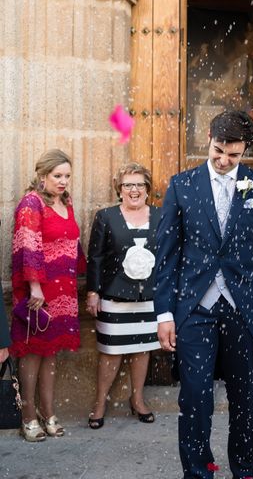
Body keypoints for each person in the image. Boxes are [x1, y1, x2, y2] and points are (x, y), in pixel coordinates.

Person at [155, 110, 253, 479]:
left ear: (245, 151)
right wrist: (164, 314)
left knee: (244, 399)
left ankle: (244, 471)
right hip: (195, 308)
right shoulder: (183, 186)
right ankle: (198, 472)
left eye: (234, 155)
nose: (225, 161)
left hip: (244, 308)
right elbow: (167, 256)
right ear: (209, 138)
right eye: (219, 151)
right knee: (195, 398)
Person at [9, 149, 85, 442]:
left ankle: (48, 412)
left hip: (63, 290)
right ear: (43, 176)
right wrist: (35, 287)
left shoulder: (67, 201)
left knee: (51, 353)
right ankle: (28, 417)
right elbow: (27, 245)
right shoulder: (31, 203)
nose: (63, 181)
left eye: (67, 176)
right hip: (38, 292)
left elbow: (73, 244)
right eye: (57, 176)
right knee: (31, 354)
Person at [86, 163, 161, 429]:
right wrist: (93, 292)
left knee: (142, 350)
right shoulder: (106, 217)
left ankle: (138, 399)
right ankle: (99, 403)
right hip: (114, 297)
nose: (134, 190)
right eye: (128, 185)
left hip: (150, 298)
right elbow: (95, 257)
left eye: (140, 184)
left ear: (147, 189)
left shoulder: (161, 216)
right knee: (110, 352)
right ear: (120, 189)